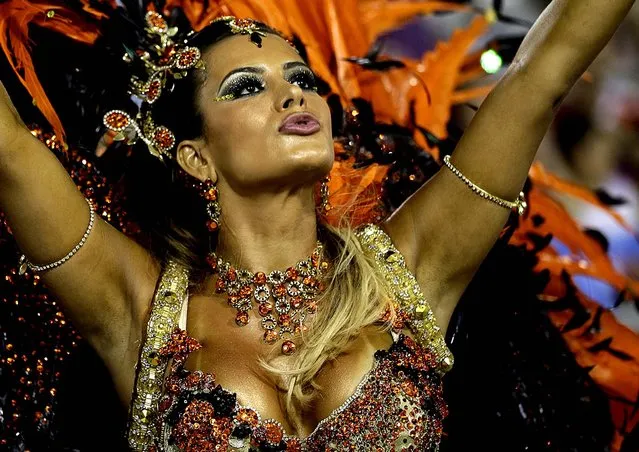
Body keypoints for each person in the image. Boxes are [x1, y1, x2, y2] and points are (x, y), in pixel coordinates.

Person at [0, 0, 636, 450]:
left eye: (302, 79)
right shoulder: (138, 309)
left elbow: (539, 75)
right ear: (196, 156)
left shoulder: (411, 270)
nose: (295, 96)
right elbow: (10, 152)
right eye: (246, 86)